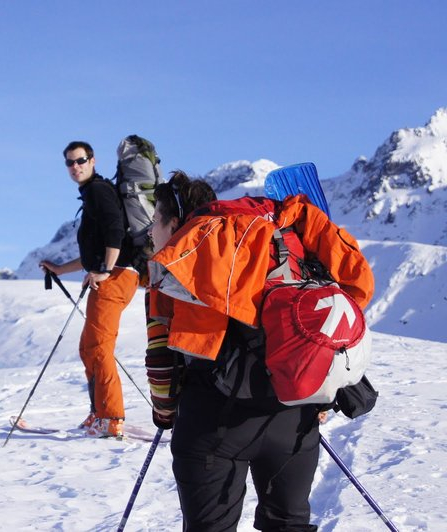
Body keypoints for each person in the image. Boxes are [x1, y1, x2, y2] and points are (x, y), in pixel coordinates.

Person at [146, 171, 374, 531]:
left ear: (174, 223)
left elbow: (162, 360)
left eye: (154, 220)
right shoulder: (284, 237)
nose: (150, 232)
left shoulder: (180, 262)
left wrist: (163, 412)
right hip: (295, 419)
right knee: (289, 524)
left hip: (213, 423)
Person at [40, 140, 139, 439]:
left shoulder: (98, 191)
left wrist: (106, 270)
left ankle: (110, 418)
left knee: (98, 348)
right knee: (88, 347)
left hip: (115, 276)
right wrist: (60, 270)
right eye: (69, 162)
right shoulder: (93, 193)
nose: (75, 167)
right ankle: (99, 412)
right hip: (112, 275)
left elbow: (114, 230)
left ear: (92, 161)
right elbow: (91, 254)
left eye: (80, 160)